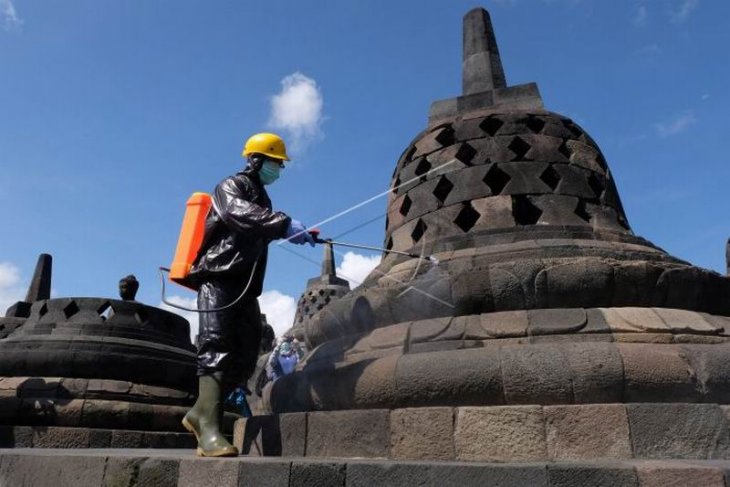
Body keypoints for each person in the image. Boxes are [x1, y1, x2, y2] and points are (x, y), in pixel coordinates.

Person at [181, 133, 315, 457]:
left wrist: (294, 231)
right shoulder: (231, 186)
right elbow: (237, 213)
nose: (279, 169)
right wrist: (283, 225)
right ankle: (209, 431)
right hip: (218, 278)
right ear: (256, 160)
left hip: (244, 287)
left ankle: (199, 413)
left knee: (245, 355)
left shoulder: (263, 200)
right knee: (215, 344)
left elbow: (258, 227)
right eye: (275, 162)